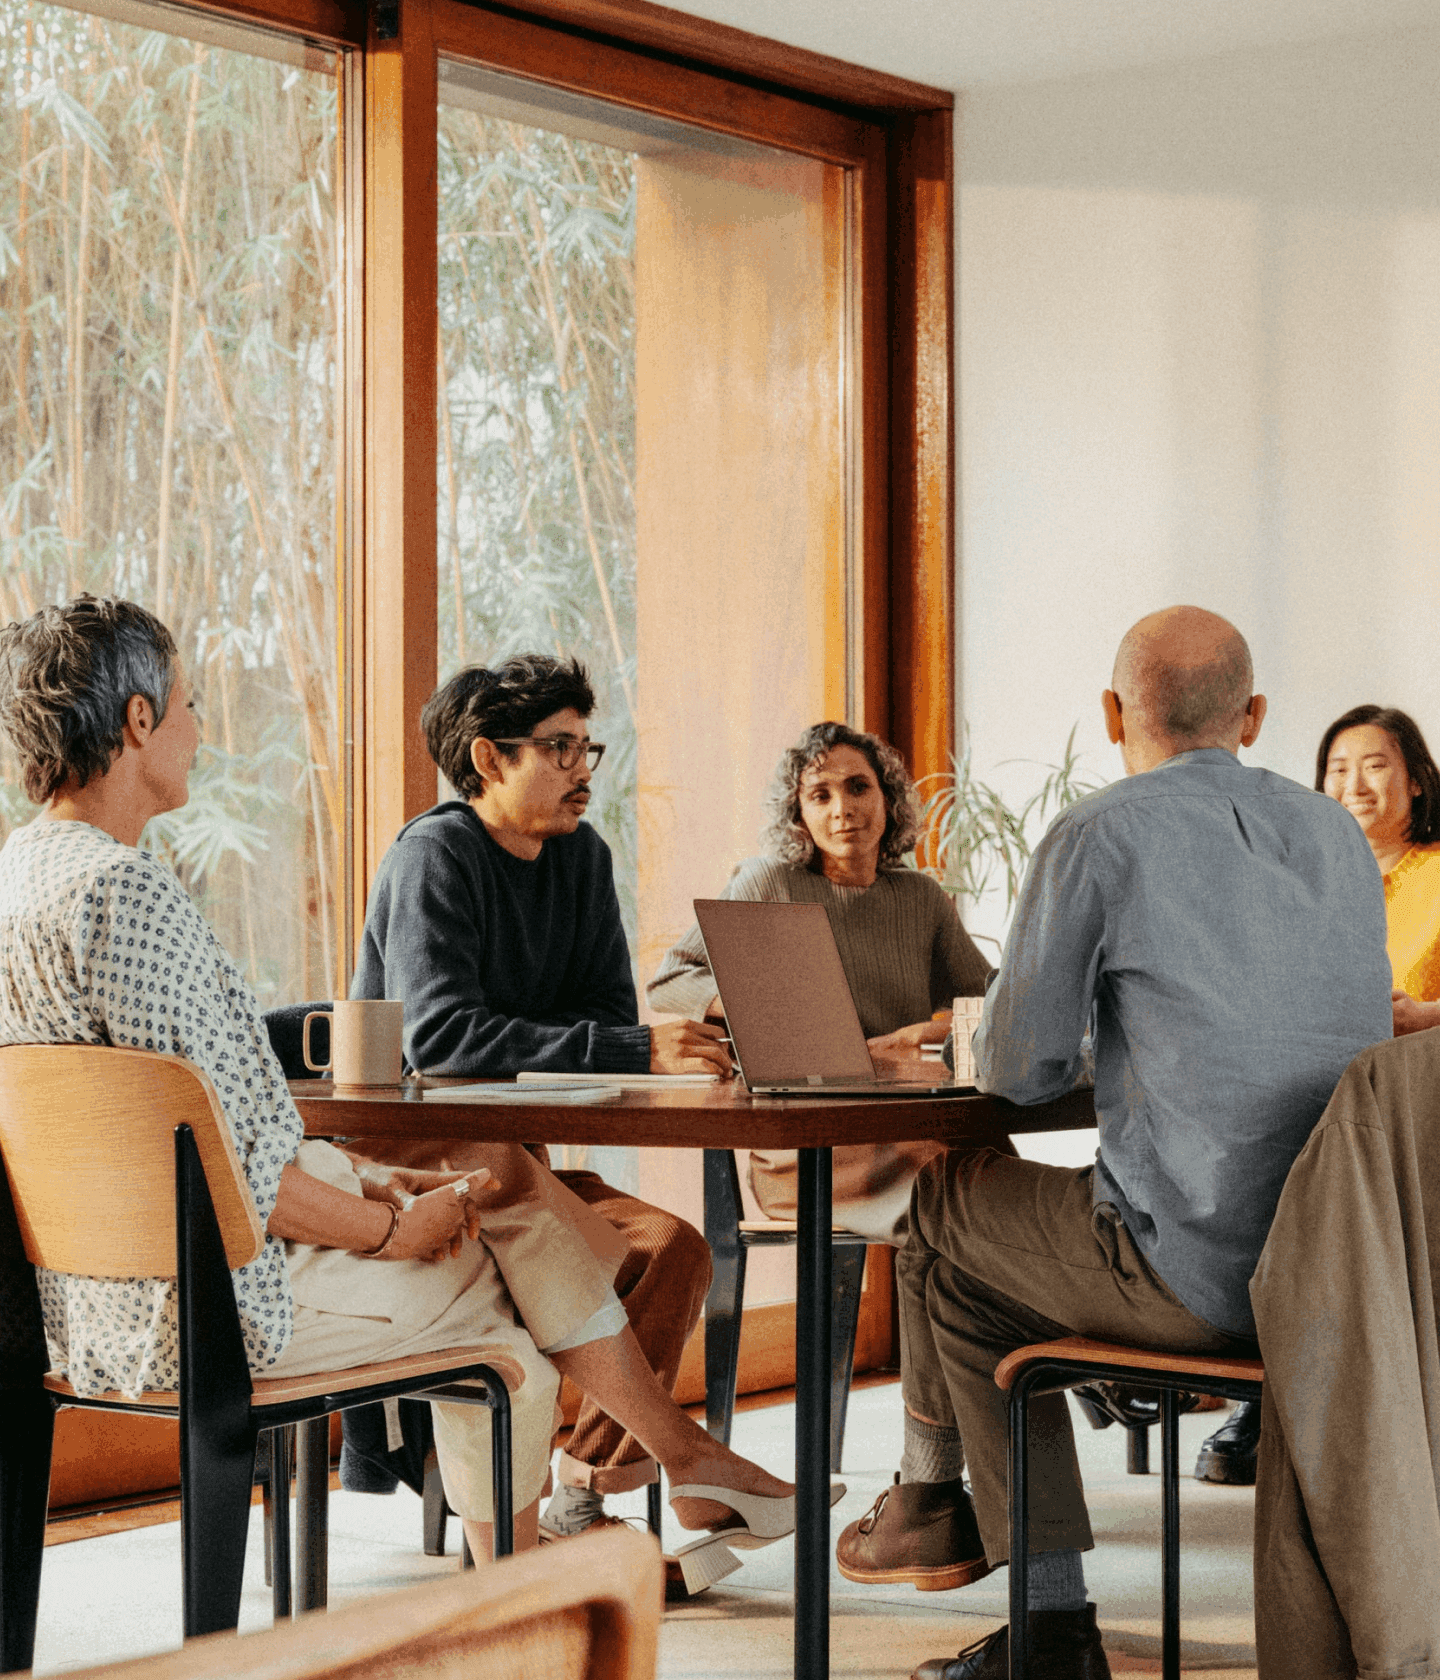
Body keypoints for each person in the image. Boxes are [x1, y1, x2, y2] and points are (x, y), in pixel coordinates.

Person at [0, 597, 795, 1582]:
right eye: (191, 703)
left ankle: (606, 1521)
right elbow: (228, 1171)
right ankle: (531, 1580)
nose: (202, 729)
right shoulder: (129, 894)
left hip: (78, 1312)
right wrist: (385, 1229)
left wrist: (369, 1193)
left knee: (512, 1215)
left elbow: (204, 1135)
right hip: (208, 1309)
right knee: (508, 1281)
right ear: (137, 721)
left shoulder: (18, 878)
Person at [844, 606, 1391, 1680]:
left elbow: (1016, 1071)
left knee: (950, 1211)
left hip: (1200, 1276)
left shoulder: (1101, 832)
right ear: (1255, 716)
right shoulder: (1334, 835)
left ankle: (999, 1569)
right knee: (985, 1278)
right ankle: (951, 1509)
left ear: (1110, 714)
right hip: (1341, 1275)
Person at [350, 654, 774, 1571]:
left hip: (517, 1164)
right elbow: (444, 1041)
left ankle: (581, 1493)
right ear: (489, 760)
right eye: (560, 748)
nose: (585, 770)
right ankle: (647, 1475)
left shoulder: (582, 860)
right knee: (589, 1254)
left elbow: (607, 1016)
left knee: (673, 1250)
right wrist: (617, 1049)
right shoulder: (434, 856)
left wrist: (611, 1043)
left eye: (590, 747)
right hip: (420, 1170)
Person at [1193, 703, 1440, 1489]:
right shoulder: (1300, 876)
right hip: (1316, 1084)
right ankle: (1235, 1378)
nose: (1353, 783)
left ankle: (1256, 1402)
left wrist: (1428, 1016)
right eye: (1337, 768)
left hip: (1415, 1094)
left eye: (1373, 764)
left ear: (1415, 779)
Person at [648, 720, 992, 1247]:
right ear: (798, 815)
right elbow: (670, 979)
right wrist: (772, 1004)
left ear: (888, 798)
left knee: (996, 1170)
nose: (842, 809)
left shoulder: (920, 897)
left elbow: (988, 1001)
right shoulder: (769, 881)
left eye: (858, 786)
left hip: (908, 1120)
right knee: (967, 1191)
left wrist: (931, 1029)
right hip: (805, 1144)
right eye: (820, 794)